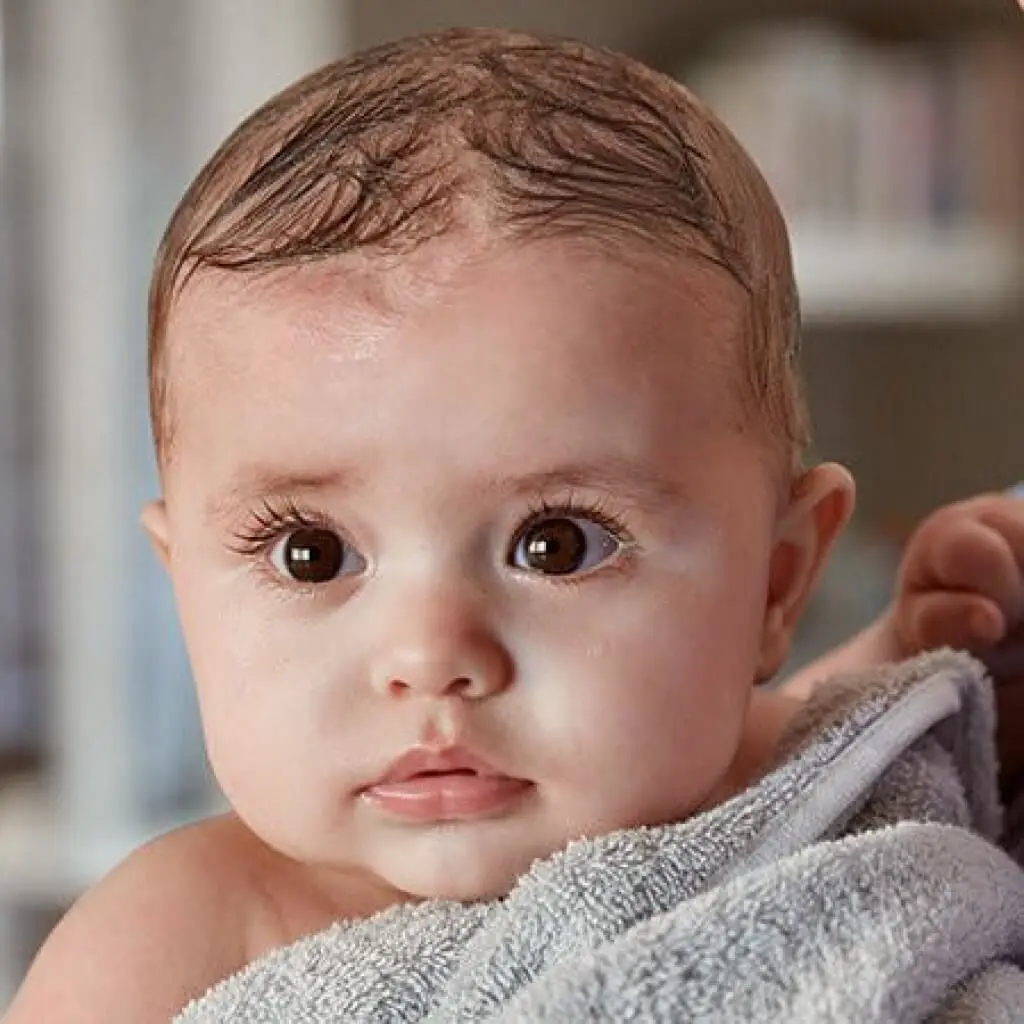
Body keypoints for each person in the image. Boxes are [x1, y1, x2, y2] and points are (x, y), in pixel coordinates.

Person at [6, 28, 1022, 1023]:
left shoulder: (772, 796)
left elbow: (814, 764)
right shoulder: (172, 935)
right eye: (311, 554)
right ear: (181, 589)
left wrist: (924, 664)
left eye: (557, 544)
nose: (429, 656)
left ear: (775, 577)